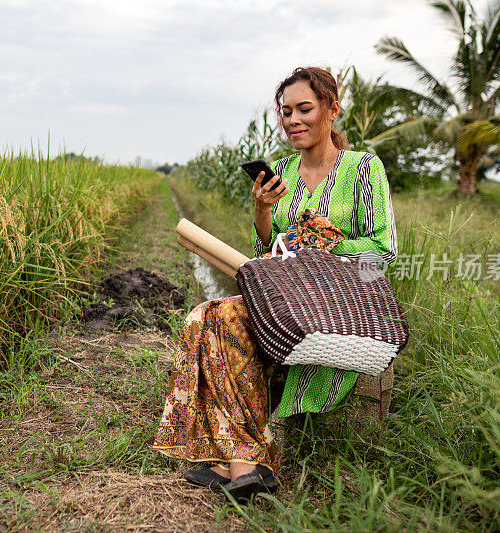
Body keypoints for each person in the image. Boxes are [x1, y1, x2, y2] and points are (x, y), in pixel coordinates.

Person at [152, 66, 398, 503]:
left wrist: (326, 240)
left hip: (335, 305)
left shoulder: (362, 169)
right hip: (286, 301)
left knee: (223, 316)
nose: (293, 121)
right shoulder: (280, 171)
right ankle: (244, 459)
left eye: (304, 109)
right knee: (206, 316)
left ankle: (241, 461)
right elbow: (263, 253)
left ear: (331, 110)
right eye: (286, 112)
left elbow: (383, 248)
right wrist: (263, 211)